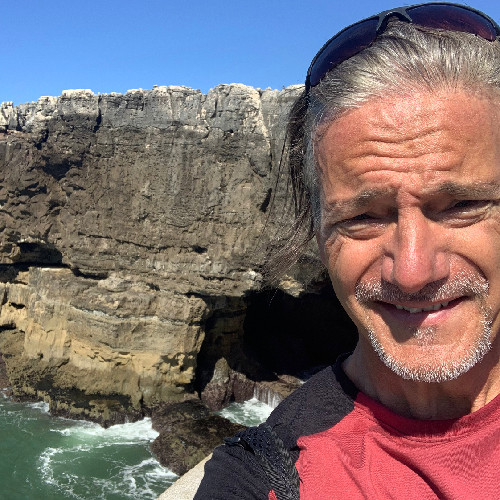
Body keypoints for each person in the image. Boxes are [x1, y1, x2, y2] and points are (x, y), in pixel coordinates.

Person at [195, 3, 500, 498]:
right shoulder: (265, 478)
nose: (413, 270)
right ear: (317, 235)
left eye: (461, 205)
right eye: (362, 217)